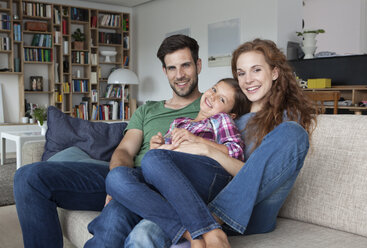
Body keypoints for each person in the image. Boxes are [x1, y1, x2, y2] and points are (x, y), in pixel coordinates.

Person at [121, 38, 317, 248]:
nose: (248, 79)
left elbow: (255, 174)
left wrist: (208, 150)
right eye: (241, 73)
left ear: (275, 73)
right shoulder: (227, 118)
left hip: (253, 213)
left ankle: (210, 221)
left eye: (256, 70)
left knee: (294, 133)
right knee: (142, 234)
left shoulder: (286, 121)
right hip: (205, 202)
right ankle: (203, 226)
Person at [13, 34, 204, 248]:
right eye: (172, 68)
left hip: (163, 183)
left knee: (115, 217)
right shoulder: (148, 109)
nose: (179, 75)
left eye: (185, 65)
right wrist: (117, 183)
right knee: (28, 177)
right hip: (124, 174)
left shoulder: (212, 107)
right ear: (164, 71)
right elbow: (124, 151)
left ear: (198, 65)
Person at [103, 78, 249, 247]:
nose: (213, 97)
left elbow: (235, 152)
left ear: (231, 114)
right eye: (214, 89)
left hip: (201, 174)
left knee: (153, 159)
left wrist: (197, 141)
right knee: (115, 177)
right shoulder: (180, 122)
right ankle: (192, 235)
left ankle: (207, 229)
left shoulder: (220, 120)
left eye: (222, 99)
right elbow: (159, 159)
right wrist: (156, 147)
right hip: (167, 181)